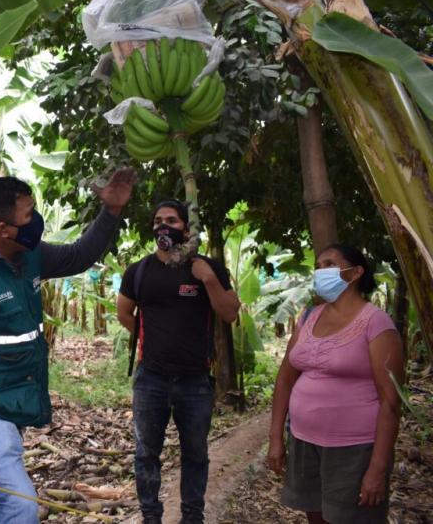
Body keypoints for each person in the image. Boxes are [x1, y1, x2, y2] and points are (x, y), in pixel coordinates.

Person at [0, 170, 135, 523]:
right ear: (3, 228)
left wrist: (111, 212)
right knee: (17, 506)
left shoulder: (25, 253)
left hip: (8, 401)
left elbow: (78, 256)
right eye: (29, 214)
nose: (37, 221)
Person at [117, 199, 240, 524]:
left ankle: (192, 517)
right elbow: (123, 312)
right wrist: (153, 339)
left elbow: (229, 313)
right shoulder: (139, 271)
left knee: (196, 454)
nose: (163, 225)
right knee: (146, 454)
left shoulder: (207, 267)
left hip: (195, 380)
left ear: (186, 227)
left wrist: (209, 279)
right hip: (151, 378)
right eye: (158, 220)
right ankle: (150, 516)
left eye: (171, 219)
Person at [267, 244, 403, 524]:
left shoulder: (376, 323)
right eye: (318, 265)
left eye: (329, 264)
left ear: (354, 273)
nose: (320, 271)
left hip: (354, 450)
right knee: (315, 516)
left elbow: (390, 402)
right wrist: (275, 438)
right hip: (305, 442)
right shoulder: (309, 317)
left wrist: (377, 468)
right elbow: (284, 380)